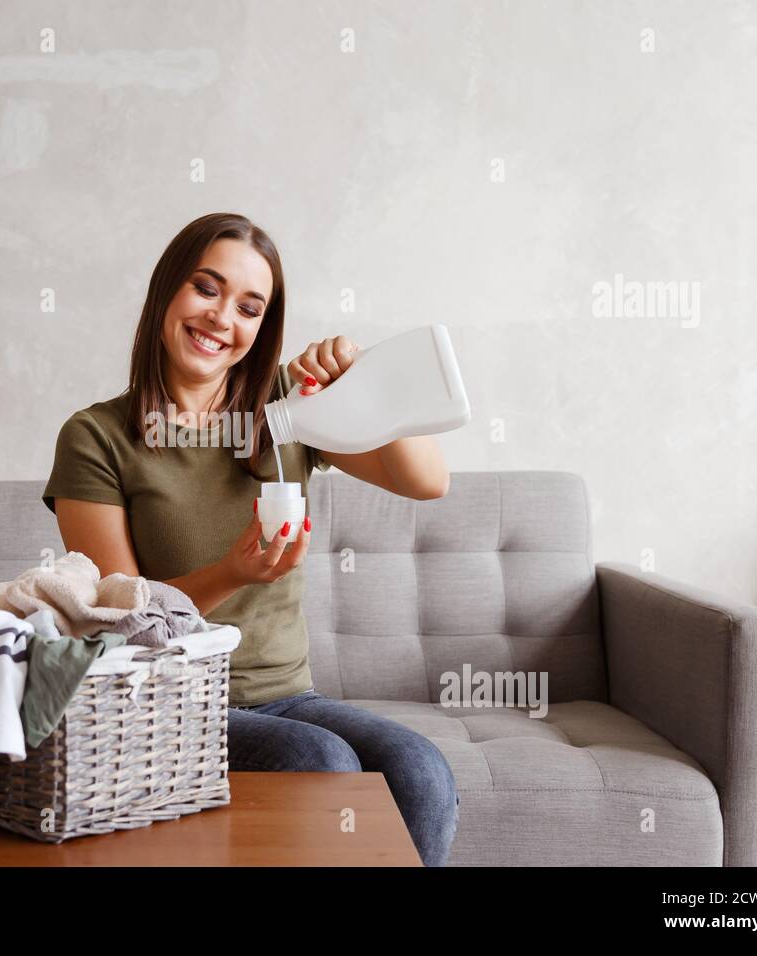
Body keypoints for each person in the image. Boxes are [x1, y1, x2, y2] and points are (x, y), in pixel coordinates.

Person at [42, 212, 460, 865]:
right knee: (318, 761)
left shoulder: (286, 408)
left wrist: (363, 385)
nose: (221, 318)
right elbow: (125, 623)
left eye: (248, 307)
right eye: (205, 289)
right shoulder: (95, 437)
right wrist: (232, 573)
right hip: (163, 697)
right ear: (166, 292)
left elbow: (428, 481)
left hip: (287, 694)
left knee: (419, 768)